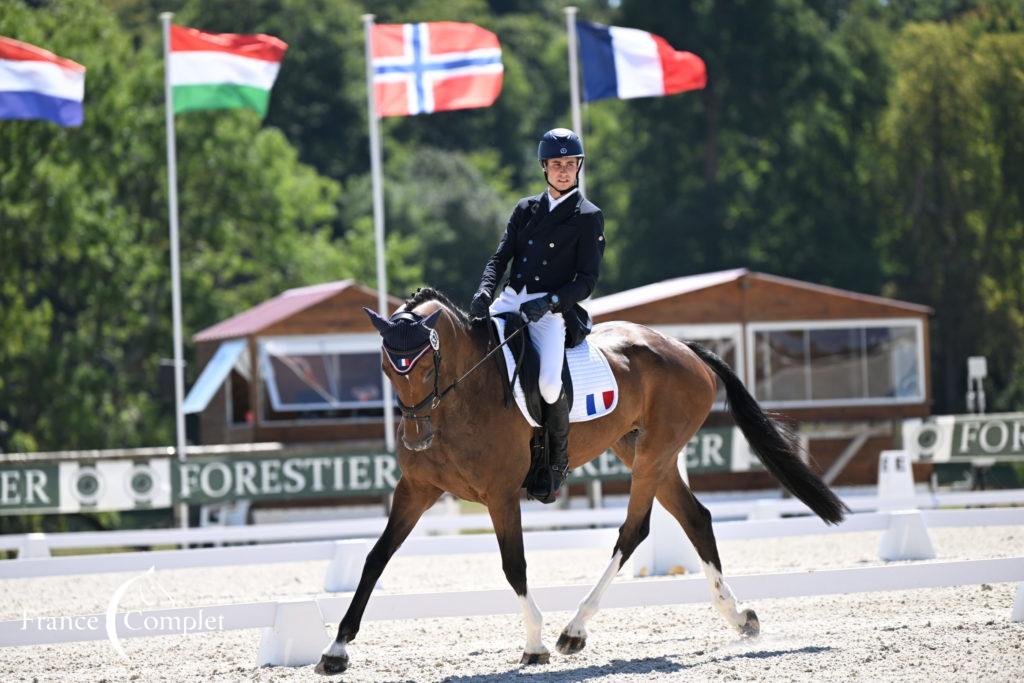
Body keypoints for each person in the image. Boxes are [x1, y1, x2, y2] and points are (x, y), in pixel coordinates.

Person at [469, 127, 605, 501]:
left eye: (570, 164)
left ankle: (555, 462)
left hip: (550, 310)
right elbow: (500, 259)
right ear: (545, 167)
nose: (564, 171)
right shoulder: (525, 209)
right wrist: (485, 290)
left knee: (547, 384)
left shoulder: (588, 216)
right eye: (557, 164)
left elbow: (587, 280)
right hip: (511, 299)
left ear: (578, 167)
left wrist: (551, 303)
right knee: (472, 350)